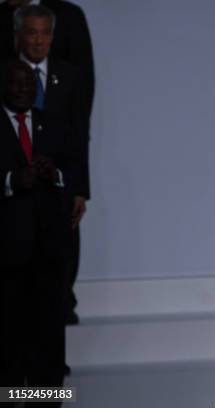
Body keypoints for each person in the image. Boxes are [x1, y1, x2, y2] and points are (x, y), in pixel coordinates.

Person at [1, 0, 94, 324]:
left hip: (58, 187)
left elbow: (80, 133)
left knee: (55, 272)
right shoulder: (8, 75)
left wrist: (80, 188)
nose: (38, 41)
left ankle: (52, 361)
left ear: (53, 37)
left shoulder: (69, 76)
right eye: (31, 34)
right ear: (18, 37)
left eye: (44, 34)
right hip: (16, 193)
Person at [0, 59, 78, 405]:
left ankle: (46, 400)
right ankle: (10, 398)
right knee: (9, 338)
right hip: (6, 257)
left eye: (28, 84)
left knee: (49, 338)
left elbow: (74, 171)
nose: (22, 89)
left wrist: (55, 174)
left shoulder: (52, 123)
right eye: (15, 83)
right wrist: (10, 180)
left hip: (48, 254)